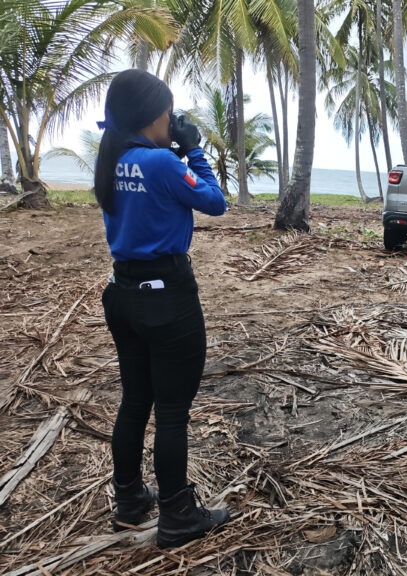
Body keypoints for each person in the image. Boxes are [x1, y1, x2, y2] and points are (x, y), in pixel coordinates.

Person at [94, 69, 230, 548]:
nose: (172, 122)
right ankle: (177, 514)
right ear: (154, 115)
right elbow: (215, 202)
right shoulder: (164, 165)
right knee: (172, 411)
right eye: (169, 115)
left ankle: (129, 499)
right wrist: (192, 150)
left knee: (135, 402)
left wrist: (170, 149)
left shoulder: (110, 157)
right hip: (167, 295)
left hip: (123, 292)